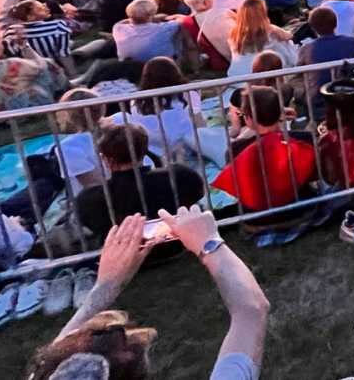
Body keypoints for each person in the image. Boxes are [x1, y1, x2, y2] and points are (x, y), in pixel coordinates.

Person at [23, 209, 269, 380]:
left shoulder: (45, 371)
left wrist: (107, 285)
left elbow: (54, 363)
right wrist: (208, 242)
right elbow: (251, 310)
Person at [75, 123, 206, 241]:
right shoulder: (181, 176)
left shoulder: (88, 198)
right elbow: (198, 194)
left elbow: (91, 225)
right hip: (179, 243)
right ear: (144, 150)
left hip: (127, 254)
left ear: (104, 158)